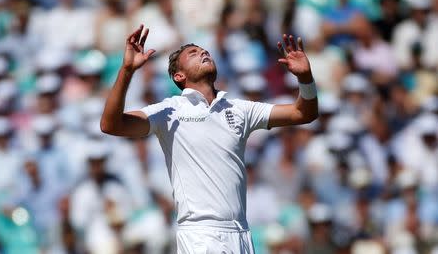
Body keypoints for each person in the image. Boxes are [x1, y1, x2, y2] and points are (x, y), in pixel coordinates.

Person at [100, 24, 318, 253]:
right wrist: (127, 70)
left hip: (241, 233)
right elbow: (110, 125)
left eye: (205, 51)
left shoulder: (239, 109)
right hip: (200, 235)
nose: (204, 53)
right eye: (193, 53)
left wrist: (305, 78)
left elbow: (303, 113)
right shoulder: (169, 111)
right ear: (179, 75)